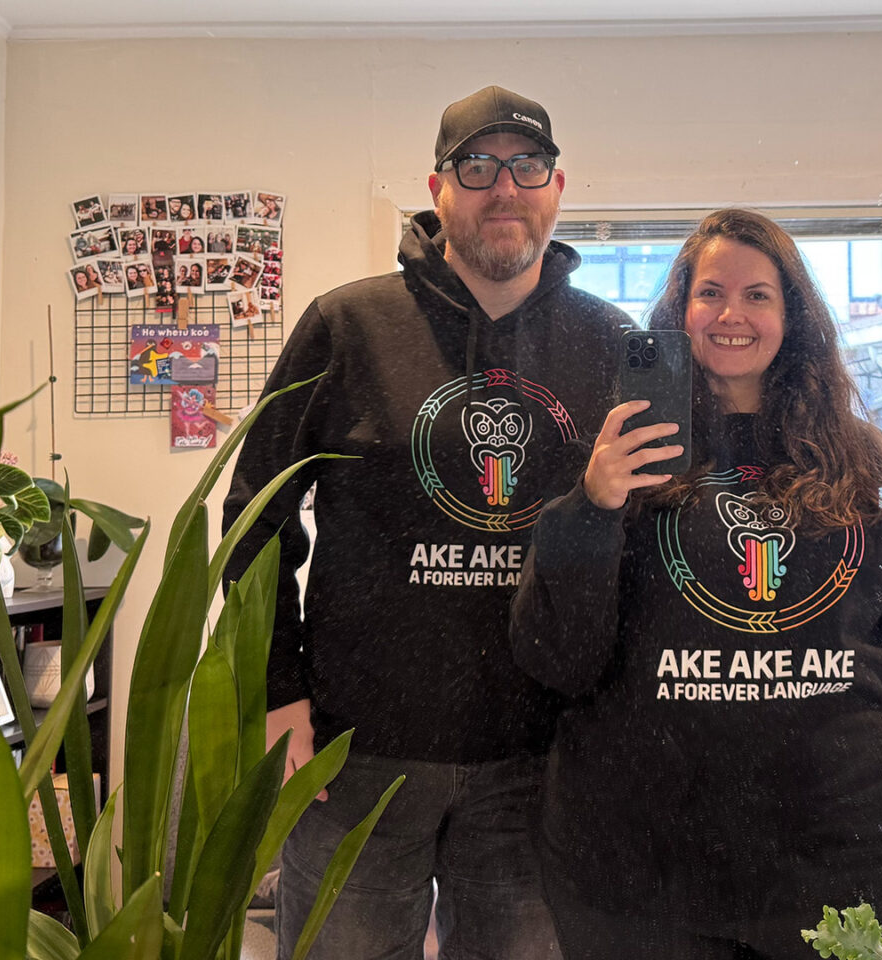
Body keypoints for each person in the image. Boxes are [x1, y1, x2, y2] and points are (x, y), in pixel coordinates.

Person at [509, 208, 882, 959]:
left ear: (794, 318)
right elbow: (558, 660)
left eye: (759, 294)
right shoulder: (610, 467)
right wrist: (594, 506)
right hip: (639, 881)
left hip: (858, 872)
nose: (732, 314)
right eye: (711, 293)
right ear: (678, 312)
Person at [222, 85, 628, 960]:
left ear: (559, 187)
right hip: (355, 754)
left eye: (528, 165)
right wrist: (276, 688)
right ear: (438, 188)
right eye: (476, 165)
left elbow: (639, 543)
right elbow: (254, 513)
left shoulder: (608, 344)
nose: (504, 186)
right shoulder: (347, 324)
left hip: (540, 762)